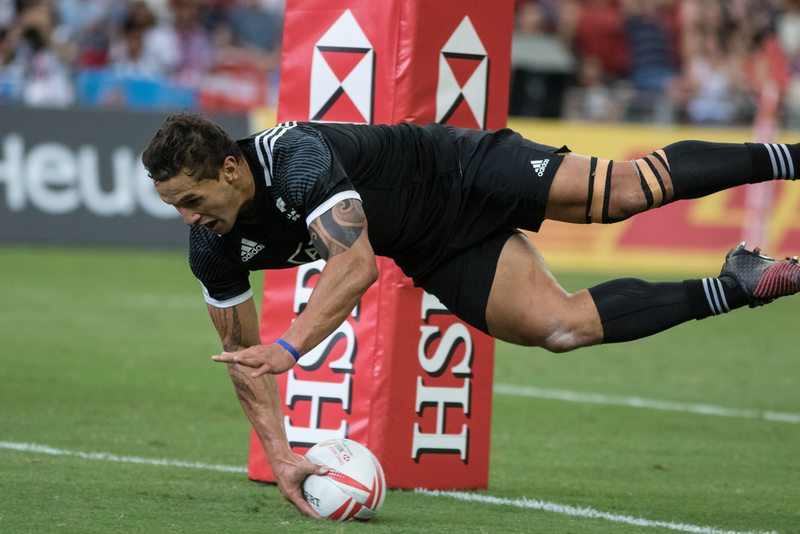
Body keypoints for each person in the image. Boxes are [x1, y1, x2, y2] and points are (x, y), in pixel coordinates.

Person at [142, 112, 800, 518]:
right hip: (434, 244)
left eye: (193, 199)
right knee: (558, 327)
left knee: (622, 191)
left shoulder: (296, 156)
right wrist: (281, 455)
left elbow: (355, 265)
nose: (190, 218)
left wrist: (290, 349)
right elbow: (240, 358)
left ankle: (790, 159)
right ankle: (741, 283)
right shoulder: (212, 244)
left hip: (463, 168)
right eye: (177, 207)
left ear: (230, 169)